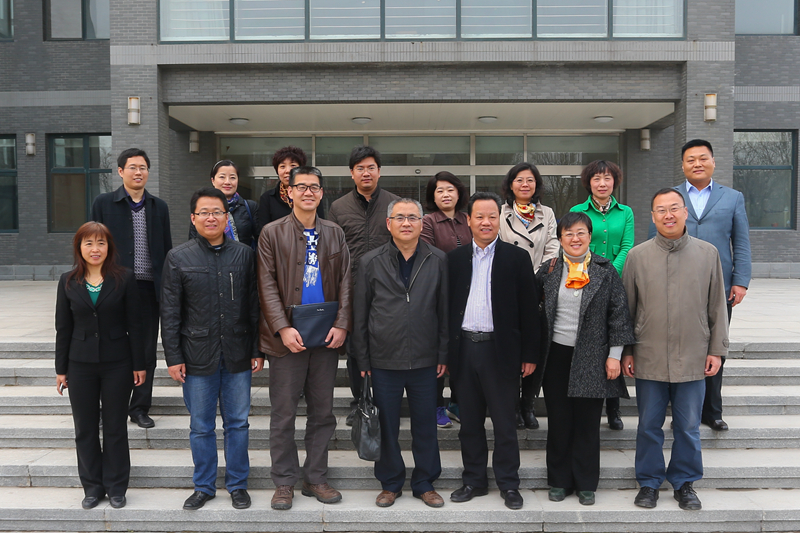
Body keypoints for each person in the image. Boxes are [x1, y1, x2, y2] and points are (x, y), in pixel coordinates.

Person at [623, 188, 728, 511]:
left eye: (673, 208)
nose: (668, 215)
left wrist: (716, 349)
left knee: (688, 426)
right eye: (661, 210)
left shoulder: (707, 253)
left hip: (693, 355)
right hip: (649, 354)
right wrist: (627, 351)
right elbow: (627, 310)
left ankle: (684, 483)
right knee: (648, 425)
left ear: (684, 212)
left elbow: (717, 306)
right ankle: (649, 482)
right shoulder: (637, 256)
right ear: (652, 217)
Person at [161, 187, 262, 511]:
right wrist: (173, 357)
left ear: (226, 217)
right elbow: (170, 313)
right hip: (196, 355)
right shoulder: (178, 257)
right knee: (201, 426)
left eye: (217, 212)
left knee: (238, 423)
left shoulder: (244, 255)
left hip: (237, 353)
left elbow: (254, 306)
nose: (211, 218)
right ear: (193, 218)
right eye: (203, 212)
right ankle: (203, 486)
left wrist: (257, 349)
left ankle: (238, 485)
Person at [258, 166, 352, 511]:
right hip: (288, 339)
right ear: (289, 193)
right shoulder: (272, 232)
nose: (308, 192)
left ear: (322, 193)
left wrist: (342, 323)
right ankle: (284, 482)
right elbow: (266, 283)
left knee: (323, 412)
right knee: (283, 413)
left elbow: (346, 280)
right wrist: (282, 327)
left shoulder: (334, 232)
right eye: (301, 187)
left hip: (325, 336)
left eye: (314, 187)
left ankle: (315, 477)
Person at [648, 139, 752, 432]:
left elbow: (741, 241)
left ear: (713, 162)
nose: (697, 164)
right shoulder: (670, 198)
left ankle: (712, 411)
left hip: (719, 285)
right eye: (690, 159)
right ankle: (680, 412)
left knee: (716, 345)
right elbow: (652, 241)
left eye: (702, 158)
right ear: (682, 165)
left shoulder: (732, 197)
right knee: (677, 348)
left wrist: (740, 281)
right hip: (673, 286)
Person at [352, 198, 448, 509]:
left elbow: (445, 311)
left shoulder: (438, 259)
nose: (406, 223)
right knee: (387, 426)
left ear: (422, 223)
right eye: (400, 217)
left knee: (425, 425)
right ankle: (390, 483)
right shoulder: (370, 261)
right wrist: (363, 358)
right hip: (383, 359)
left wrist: (443, 354)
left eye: (412, 217)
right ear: (388, 223)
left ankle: (425, 483)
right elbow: (360, 313)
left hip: (425, 359)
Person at [534, 211, 635, 506]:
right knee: (559, 420)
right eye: (568, 233)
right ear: (560, 238)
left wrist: (615, 355)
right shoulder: (549, 270)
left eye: (581, 233)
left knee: (588, 422)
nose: (575, 238)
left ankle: (586, 483)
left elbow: (619, 314)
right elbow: (533, 310)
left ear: (590, 236)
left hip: (593, 356)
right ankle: (559, 480)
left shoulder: (605, 270)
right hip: (556, 355)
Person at [447, 191, 539, 510]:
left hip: (501, 352)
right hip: (464, 351)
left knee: (504, 424)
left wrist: (529, 354)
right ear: (468, 220)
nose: (486, 222)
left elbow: (530, 310)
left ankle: (509, 484)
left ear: (499, 219)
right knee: (470, 424)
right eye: (480, 216)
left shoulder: (517, 258)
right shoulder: (454, 259)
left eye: (492, 216)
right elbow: (446, 309)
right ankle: (473, 480)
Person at [55, 221, 146, 510]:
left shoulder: (124, 278)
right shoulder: (67, 281)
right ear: (79, 248)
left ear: (109, 247)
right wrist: (61, 369)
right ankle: (92, 488)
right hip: (79, 365)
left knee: (116, 426)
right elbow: (63, 328)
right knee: (85, 427)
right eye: (89, 243)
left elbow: (136, 324)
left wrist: (139, 364)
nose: (95, 249)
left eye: (101, 243)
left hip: (118, 363)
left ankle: (117, 487)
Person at [91, 148, 172, 429]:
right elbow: (92, 246)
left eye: (143, 168)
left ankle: (139, 407)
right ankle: (109, 407)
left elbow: (167, 250)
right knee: (111, 348)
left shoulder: (159, 207)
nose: (138, 172)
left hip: (149, 291)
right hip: (113, 288)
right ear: (120, 171)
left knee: (146, 350)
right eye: (133, 167)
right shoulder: (103, 203)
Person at [328, 145, 399, 426]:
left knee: (386, 346)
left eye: (371, 167)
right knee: (357, 350)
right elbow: (333, 251)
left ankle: (385, 401)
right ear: (351, 173)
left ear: (379, 172)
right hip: (353, 290)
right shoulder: (338, 207)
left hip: (389, 291)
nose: (366, 172)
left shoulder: (394, 204)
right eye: (360, 168)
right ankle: (360, 402)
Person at [570, 160, 635, 431]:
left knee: (613, 340)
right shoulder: (577, 211)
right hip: (585, 283)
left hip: (616, 282)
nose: (602, 183)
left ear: (614, 181)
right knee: (592, 341)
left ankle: (614, 408)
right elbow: (574, 244)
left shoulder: (626, 212)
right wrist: (596, 275)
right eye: (597, 178)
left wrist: (609, 273)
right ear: (589, 182)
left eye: (607, 178)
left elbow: (627, 246)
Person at [498, 162, 558, 430]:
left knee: (536, 348)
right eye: (520, 180)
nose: (525, 184)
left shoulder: (548, 213)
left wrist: (536, 277)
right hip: (508, 288)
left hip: (538, 288)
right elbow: (499, 247)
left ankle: (528, 405)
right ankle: (511, 405)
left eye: (530, 180)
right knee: (511, 350)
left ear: (537, 185)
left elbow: (553, 247)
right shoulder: (501, 213)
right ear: (511, 185)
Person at [420, 171, 471, 429]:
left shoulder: (468, 219)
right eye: (439, 190)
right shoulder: (428, 221)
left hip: (469, 295)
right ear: (433, 195)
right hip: (439, 295)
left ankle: (458, 403)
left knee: (463, 351)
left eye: (450, 189)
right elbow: (429, 255)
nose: (446, 194)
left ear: (459, 193)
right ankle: (436, 405)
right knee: (439, 351)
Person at [189, 160, 259, 248]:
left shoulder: (250, 207)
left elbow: (261, 239)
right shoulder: (202, 207)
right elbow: (193, 241)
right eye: (222, 177)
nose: (227, 182)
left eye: (232, 177)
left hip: (243, 256)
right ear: (213, 180)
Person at [256, 146, 323, 229]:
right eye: (282, 166)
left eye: (293, 165)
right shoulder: (267, 198)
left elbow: (320, 225)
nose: (288, 170)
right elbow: (263, 230)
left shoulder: (312, 194)